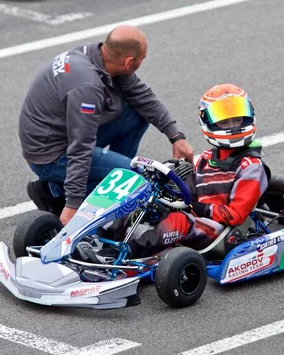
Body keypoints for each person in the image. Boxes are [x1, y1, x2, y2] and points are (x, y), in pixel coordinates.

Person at [18, 24, 194, 226]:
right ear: (129, 62)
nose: (142, 63)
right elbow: (81, 147)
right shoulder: (87, 87)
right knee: (137, 181)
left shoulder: (100, 56)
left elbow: (143, 97)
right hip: (51, 156)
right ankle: (55, 192)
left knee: (137, 113)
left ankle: (110, 180)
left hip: (61, 134)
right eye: (142, 59)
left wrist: (176, 136)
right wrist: (73, 205)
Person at [100, 84, 269, 259]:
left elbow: (235, 215)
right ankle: (102, 240)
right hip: (197, 218)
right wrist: (165, 200)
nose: (232, 127)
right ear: (208, 122)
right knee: (138, 198)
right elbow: (189, 193)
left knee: (178, 221)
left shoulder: (251, 167)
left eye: (237, 120)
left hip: (221, 232)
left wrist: (196, 208)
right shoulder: (207, 158)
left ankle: (122, 254)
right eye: (224, 122)